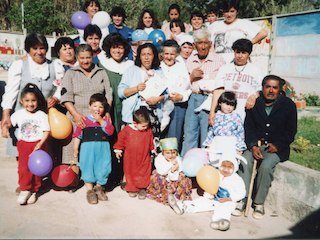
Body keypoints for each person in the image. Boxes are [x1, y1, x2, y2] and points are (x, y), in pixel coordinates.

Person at [233, 75, 297, 219]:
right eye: (268, 87)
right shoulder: (254, 103)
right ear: (262, 88)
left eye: (274, 88)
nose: (271, 90)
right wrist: (253, 145)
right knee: (245, 161)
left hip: (276, 148)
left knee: (266, 166)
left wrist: (278, 145)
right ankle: (241, 199)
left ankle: (259, 203)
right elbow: (248, 128)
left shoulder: (288, 105)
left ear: (279, 90)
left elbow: (291, 131)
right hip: (256, 144)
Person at [60, 44, 113, 188]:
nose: (85, 61)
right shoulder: (71, 73)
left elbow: (108, 93)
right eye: (82, 58)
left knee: (96, 151)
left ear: (93, 57)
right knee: (74, 151)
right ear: (77, 58)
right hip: (77, 116)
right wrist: (76, 115)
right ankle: (74, 181)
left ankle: (98, 181)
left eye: (88, 57)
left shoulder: (101, 72)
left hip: (97, 117)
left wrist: (106, 111)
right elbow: (66, 96)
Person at [1, 33, 58, 157]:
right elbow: (11, 91)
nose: (39, 52)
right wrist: (6, 115)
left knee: (45, 159)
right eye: (35, 48)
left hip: (45, 124)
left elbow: (61, 87)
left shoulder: (54, 66)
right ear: (28, 50)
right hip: (24, 124)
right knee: (24, 163)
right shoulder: (19, 66)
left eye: (42, 48)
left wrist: (56, 98)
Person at [169, 151, 246, 231]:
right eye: (223, 166)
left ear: (235, 167)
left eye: (229, 167)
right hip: (213, 197)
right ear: (220, 165)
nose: (226, 169)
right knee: (201, 202)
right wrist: (209, 193)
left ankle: (220, 221)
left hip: (227, 200)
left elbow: (242, 192)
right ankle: (182, 206)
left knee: (224, 208)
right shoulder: (217, 173)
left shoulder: (237, 179)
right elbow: (210, 181)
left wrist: (230, 199)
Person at [2, 83, 50, 205]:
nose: (30, 103)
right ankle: (25, 189)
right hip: (24, 145)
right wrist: (5, 128)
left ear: (37, 101)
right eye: (27, 100)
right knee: (23, 168)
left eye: (33, 100)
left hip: (38, 145)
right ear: (22, 101)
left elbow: (46, 131)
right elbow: (9, 123)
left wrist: (41, 143)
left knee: (37, 170)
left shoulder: (41, 115)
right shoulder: (19, 114)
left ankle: (35, 190)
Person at [181, 29, 225, 157]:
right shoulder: (190, 60)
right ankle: (188, 167)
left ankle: (205, 169)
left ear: (210, 44)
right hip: (193, 98)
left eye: (206, 43)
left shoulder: (219, 60)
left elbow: (221, 86)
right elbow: (184, 84)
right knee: (189, 134)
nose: (203, 46)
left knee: (207, 135)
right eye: (200, 43)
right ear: (194, 45)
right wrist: (192, 77)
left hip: (210, 100)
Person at [98, 32, 134, 187]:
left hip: (126, 107)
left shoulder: (130, 65)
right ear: (108, 49)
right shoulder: (102, 64)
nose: (118, 51)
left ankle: (123, 174)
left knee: (125, 140)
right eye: (114, 47)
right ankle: (109, 175)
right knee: (109, 139)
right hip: (109, 108)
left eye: (120, 48)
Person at [118, 42, 166, 152]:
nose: (146, 57)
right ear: (139, 56)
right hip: (134, 115)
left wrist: (158, 99)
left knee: (151, 147)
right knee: (134, 147)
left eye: (149, 54)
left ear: (154, 55)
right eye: (143, 54)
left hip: (153, 114)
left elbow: (166, 94)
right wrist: (136, 88)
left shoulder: (159, 72)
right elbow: (121, 92)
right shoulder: (131, 70)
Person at [208, 38, 263, 124]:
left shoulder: (255, 70)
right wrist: (212, 112)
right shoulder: (225, 68)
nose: (240, 56)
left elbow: (260, 89)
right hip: (225, 113)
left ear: (249, 54)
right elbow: (218, 90)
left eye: (243, 53)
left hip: (245, 113)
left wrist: (254, 96)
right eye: (237, 52)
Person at [73, 93, 114, 204]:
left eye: (101, 107)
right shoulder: (84, 120)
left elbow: (110, 131)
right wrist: (75, 149)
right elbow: (77, 135)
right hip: (88, 150)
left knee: (104, 167)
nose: (97, 109)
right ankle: (90, 191)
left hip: (103, 149)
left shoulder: (105, 120)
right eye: (95, 106)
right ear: (89, 106)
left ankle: (99, 187)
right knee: (88, 167)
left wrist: (101, 121)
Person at [113, 108, 154, 199]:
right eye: (143, 126)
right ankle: (132, 188)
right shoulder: (127, 130)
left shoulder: (148, 131)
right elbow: (121, 140)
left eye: (146, 126)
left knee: (144, 172)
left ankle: (142, 188)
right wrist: (118, 149)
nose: (145, 128)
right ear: (135, 123)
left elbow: (151, 141)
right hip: (130, 157)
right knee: (130, 172)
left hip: (144, 156)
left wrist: (153, 149)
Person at [146, 137, 192, 214]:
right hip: (164, 178)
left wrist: (176, 170)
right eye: (167, 153)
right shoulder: (159, 158)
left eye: (173, 153)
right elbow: (162, 171)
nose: (171, 155)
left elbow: (180, 170)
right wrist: (171, 166)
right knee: (157, 178)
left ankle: (177, 198)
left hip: (174, 179)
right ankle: (167, 196)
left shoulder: (177, 158)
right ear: (163, 152)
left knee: (185, 179)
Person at [159, 40, 191, 151]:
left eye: (172, 54)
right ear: (162, 54)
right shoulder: (157, 67)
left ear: (176, 54)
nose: (169, 57)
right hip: (160, 106)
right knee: (159, 135)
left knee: (174, 136)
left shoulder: (181, 67)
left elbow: (188, 88)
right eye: (166, 54)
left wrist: (182, 96)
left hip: (177, 106)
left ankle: (173, 163)